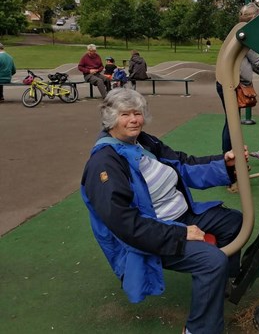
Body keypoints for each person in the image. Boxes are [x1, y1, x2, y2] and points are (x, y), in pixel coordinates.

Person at [81, 89, 243, 334]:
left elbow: (183, 164)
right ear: (110, 118)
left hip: (180, 215)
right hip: (151, 234)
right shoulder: (104, 163)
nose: (134, 120)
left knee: (233, 222)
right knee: (212, 261)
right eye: (125, 114)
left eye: (138, 113)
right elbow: (126, 225)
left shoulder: (144, 142)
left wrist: (225, 163)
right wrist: (179, 234)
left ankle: (220, 285)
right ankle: (198, 330)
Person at [216, 3, 259, 191]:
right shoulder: (245, 34)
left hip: (230, 82)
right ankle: (230, 165)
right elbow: (256, 60)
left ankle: (232, 161)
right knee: (231, 124)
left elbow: (248, 60)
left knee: (232, 123)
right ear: (254, 19)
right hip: (231, 84)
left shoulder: (239, 33)